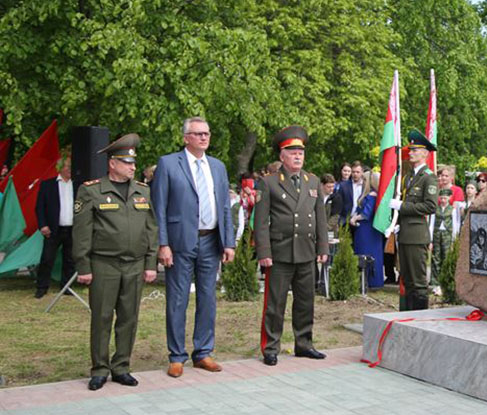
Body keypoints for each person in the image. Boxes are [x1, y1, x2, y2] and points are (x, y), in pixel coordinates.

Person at [72, 134, 158, 391]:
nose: (132, 167)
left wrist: (151, 263)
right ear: (112, 164)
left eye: (133, 163)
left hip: (134, 264)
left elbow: (151, 228)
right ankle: (99, 368)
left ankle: (121, 366)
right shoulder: (91, 190)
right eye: (126, 163)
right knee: (102, 316)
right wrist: (83, 267)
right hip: (104, 264)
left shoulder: (142, 191)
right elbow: (82, 231)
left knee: (129, 318)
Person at [151, 116, 235, 378]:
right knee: (177, 299)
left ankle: (203, 352)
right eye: (198, 134)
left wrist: (228, 241)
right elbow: (159, 208)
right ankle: (176, 356)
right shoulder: (168, 164)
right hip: (179, 242)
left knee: (208, 298)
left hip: (211, 240)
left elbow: (224, 207)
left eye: (206, 133)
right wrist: (163, 244)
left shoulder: (218, 167)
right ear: (186, 137)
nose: (204, 138)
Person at [254, 126, 328, 366]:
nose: (298, 156)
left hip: (306, 251)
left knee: (305, 302)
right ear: (282, 156)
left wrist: (323, 248)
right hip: (280, 252)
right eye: (292, 152)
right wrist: (264, 252)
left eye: (300, 152)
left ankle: (304, 343)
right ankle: (271, 347)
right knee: (275, 305)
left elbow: (320, 218)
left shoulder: (313, 181)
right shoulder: (269, 183)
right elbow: (261, 221)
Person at [389, 130, 439, 311]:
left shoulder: (429, 177)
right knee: (407, 279)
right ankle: (407, 316)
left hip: (417, 236)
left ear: (425, 153)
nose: (410, 153)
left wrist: (402, 206)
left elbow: (430, 206)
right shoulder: (409, 176)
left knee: (418, 282)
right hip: (405, 233)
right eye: (410, 150)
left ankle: (420, 319)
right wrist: (397, 223)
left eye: (415, 150)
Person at [34, 150, 75, 298]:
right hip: (53, 229)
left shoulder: (78, 185)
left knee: (70, 259)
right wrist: (42, 225)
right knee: (47, 259)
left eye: (71, 167)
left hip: (72, 228)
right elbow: (39, 207)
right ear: (60, 168)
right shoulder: (48, 185)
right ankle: (41, 287)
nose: (70, 170)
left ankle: (67, 287)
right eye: (67, 166)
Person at [350, 171, 385, 289]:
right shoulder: (372, 194)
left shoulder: (371, 195)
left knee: (367, 254)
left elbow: (366, 214)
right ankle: (370, 280)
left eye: (364, 180)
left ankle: (371, 281)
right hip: (369, 230)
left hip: (367, 230)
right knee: (369, 253)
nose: (362, 181)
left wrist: (354, 218)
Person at [429, 188, 460, 290]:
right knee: (435, 257)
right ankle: (435, 282)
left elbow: (455, 225)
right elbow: (431, 224)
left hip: (447, 234)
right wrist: (430, 240)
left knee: (446, 257)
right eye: (441, 198)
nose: (443, 200)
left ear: (449, 198)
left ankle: (445, 281)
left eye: (445, 198)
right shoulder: (435, 209)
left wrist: (454, 240)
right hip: (437, 234)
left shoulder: (452, 210)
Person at [338, 161, 365, 228]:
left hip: (361, 221)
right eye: (353, 172)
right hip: (345, 222)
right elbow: (339, 205)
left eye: (357, 172)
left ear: (362, 173)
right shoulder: (343, 186)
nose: (355, 174)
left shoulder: (365, 186)